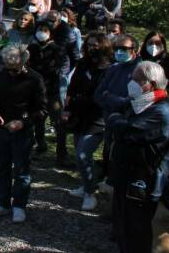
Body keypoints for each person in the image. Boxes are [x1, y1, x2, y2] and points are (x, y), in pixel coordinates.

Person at [107, 61, 169, 253]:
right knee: (124, 223)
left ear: (150, 84)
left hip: (142, 178)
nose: (131, 82)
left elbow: (127, 132)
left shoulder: (160, 110)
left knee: (136, 229)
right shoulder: (140, 103)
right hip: (126, 174)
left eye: (136, 80)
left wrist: (114, 121)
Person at [0, 44, 46, 223]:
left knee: (21, 170)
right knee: (2, 166)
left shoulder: (35, 79)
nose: (11, 72)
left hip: (23, 129)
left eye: (15, 69)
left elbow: (42, 109)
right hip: (1, 128)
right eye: (8, 68)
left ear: (24, 62)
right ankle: (2, 202)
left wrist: (23, 122)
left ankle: (19, 205)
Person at [64, 32, 113, 211]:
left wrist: (80, 99)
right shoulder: (83, 63)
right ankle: (85, 184)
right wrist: (68, 107)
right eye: (89, 44)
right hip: (79, 115)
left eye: (96, 45)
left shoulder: (109, 68)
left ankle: (90, 192)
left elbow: (101, 95)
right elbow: (73, 86)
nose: (92, 48)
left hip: (98, 118)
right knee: (79, 154)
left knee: (83, 154)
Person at [27, 21, 69, 165]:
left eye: (45, 30)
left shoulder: (57, 49)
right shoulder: (31, 48)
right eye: (39, 29)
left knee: (59, 123)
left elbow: (62, 66)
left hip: (52, 91)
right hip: (36, 92)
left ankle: (62, 153)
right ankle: (40, 146)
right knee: (38, 121)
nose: (42, 32)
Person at [140, 31, 169, 112]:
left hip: (162, 106)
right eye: (150, 43)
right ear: (145, 44)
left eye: (157, 43)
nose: (154, 46)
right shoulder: (139, 60)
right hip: (140, 105)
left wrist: (150, 98)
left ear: (163, 45)